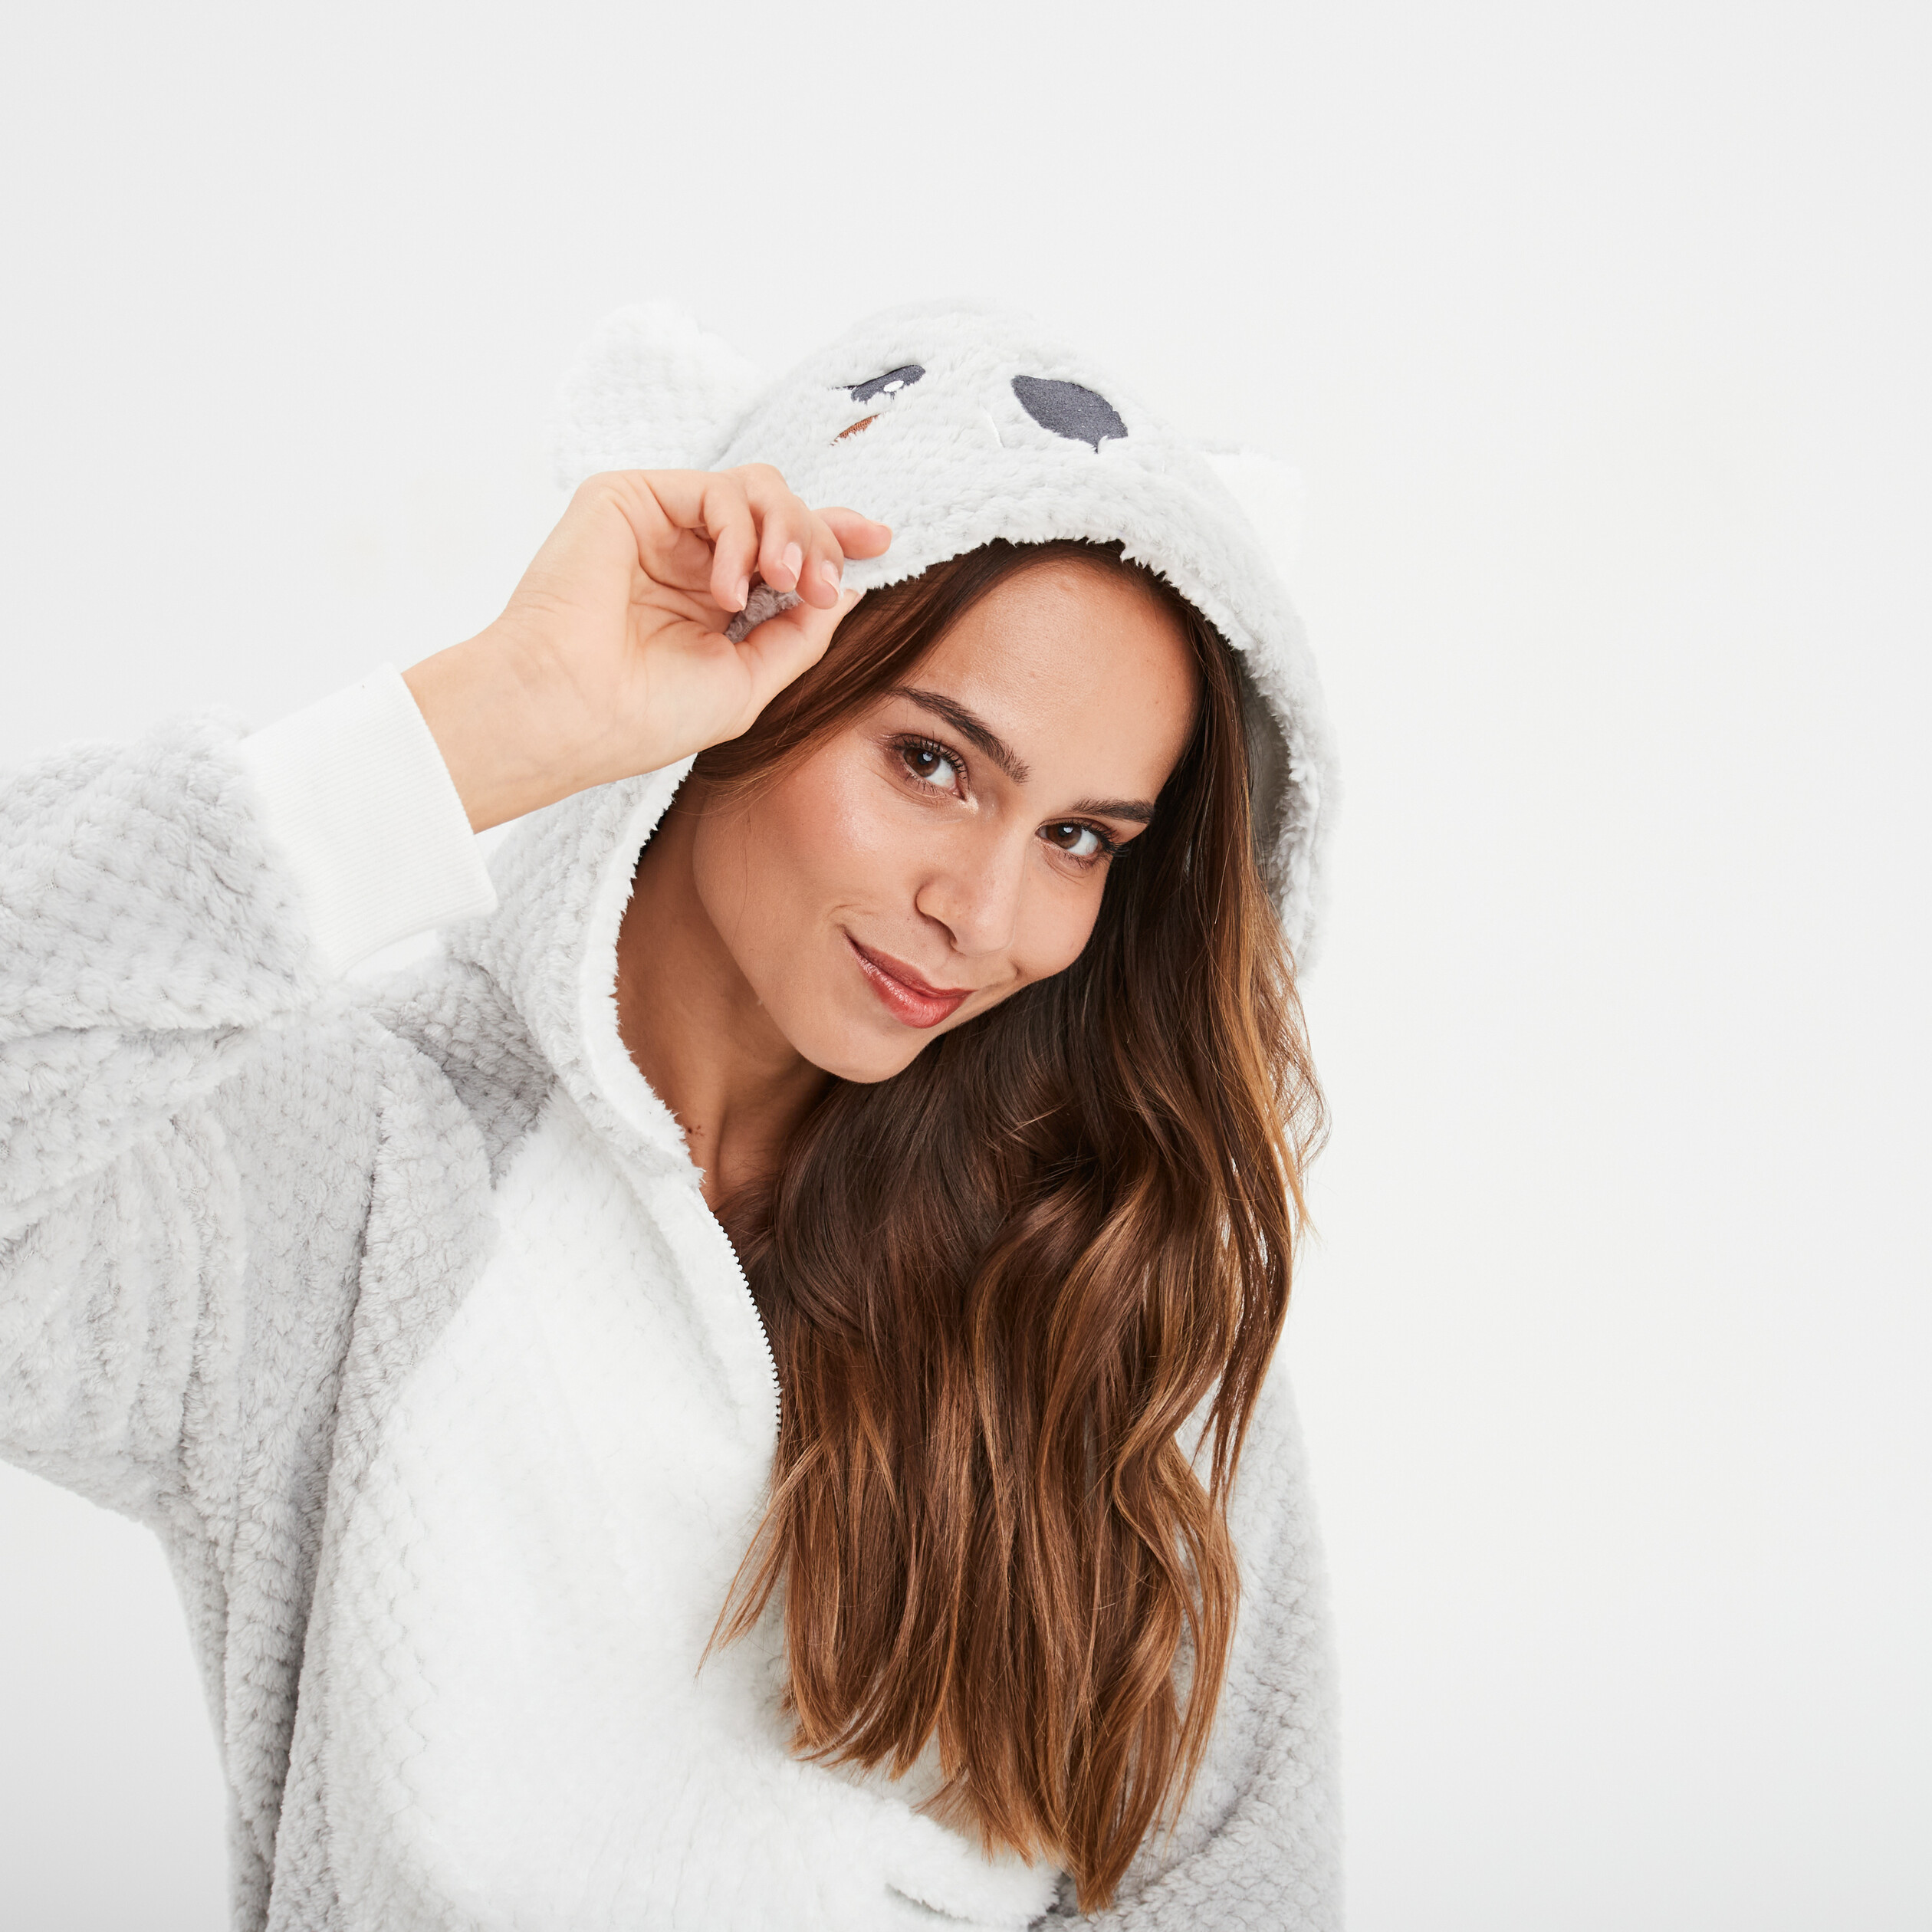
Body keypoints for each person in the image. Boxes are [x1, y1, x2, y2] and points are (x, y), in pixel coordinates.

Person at [0, 306, 1340, 1931]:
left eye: (1081, 839)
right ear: (742, 683)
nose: (986, 915)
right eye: (932, 763)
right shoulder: (350, 1174)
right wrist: (502, 714)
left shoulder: (1106, 1276)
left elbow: (1228, 1885)